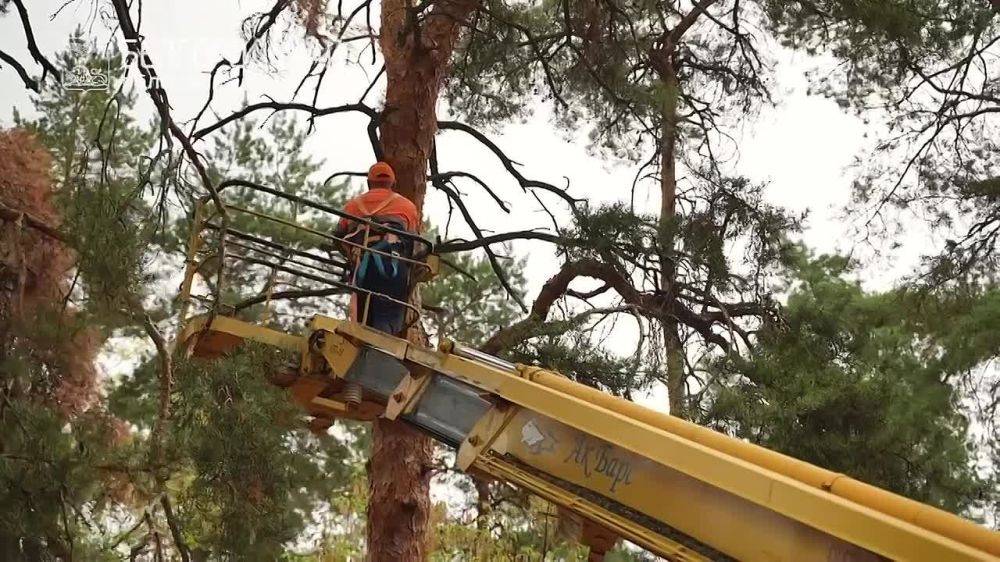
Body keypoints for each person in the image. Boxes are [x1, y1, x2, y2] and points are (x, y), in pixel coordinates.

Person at [334, 161, 419, 335]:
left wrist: (351, 257)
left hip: (363, 266)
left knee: (363, 320)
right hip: (394, 267)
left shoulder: (352, 205)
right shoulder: (408, 207)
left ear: (369, 182)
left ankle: (363, 345)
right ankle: (382, 349)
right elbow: (412, 243)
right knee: (388, 323)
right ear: (393, 184)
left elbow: (338, 236)